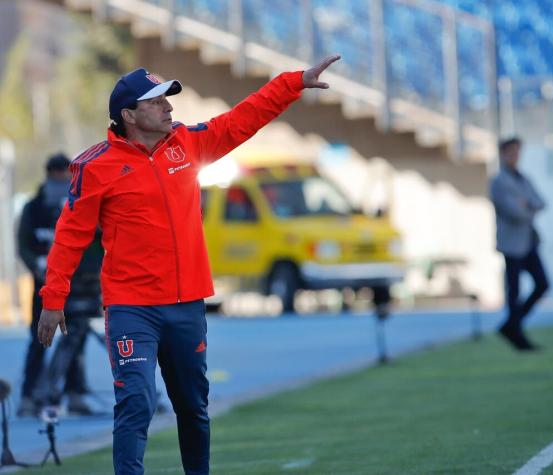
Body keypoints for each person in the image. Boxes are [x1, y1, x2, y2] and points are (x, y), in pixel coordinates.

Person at [36, 55, 340, 475]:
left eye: (168, 99)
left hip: (186, 305)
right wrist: (54, 299)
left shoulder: (187, 143)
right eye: (157, 101)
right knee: (136, 402)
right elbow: (70, 236)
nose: (169, 107)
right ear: (128, 115)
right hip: (131, 308)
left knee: (193, 408)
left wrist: (293, 83)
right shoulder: (94, 166)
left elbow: (240, 120)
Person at [16, 154, 101, 417]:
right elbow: (23, 245)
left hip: (79, 284)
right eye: (57, 174)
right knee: (39, 337)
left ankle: (74, 394)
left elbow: (97, 241)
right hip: (45, 285)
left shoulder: (82, 202)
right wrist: (38, 268)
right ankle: (30, 396)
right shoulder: (34, 207)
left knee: (76, 337)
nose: (61, 179)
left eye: (66, 174)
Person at [490, 137, 550, 351]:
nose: (515, 156)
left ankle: (511, 325)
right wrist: (527, 207)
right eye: (511, 152)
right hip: (512, 244)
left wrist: (526, 205)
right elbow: (513, 212)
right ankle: (516, 333)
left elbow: (540, 202)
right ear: (503, 154)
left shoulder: (523, 179)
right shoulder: (499, 181)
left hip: (528, 241)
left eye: (517, 152)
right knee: (513, 291)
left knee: (542, 283)